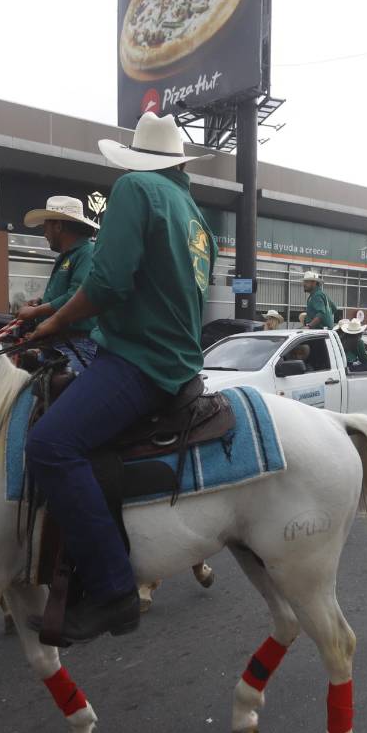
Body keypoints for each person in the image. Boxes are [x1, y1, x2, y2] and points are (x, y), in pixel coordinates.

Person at [24, 112, 217, 642]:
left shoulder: (135, 187)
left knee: (50, 445)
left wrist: (56, 322)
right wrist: (51, 315)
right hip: (177, 359)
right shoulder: (196, 217)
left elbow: (109, 284)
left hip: (139, 361)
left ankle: (113, 592)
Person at [16, 196, 102, 372]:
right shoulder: (68, 257)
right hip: (58, 344)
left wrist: (35, 311)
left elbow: (75, 296)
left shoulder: (87, 253)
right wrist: (41, 303)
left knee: (65, 391)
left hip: (78, 345)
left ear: (58, 226)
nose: (44, 233)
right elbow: (64, 295)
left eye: (45, 226)